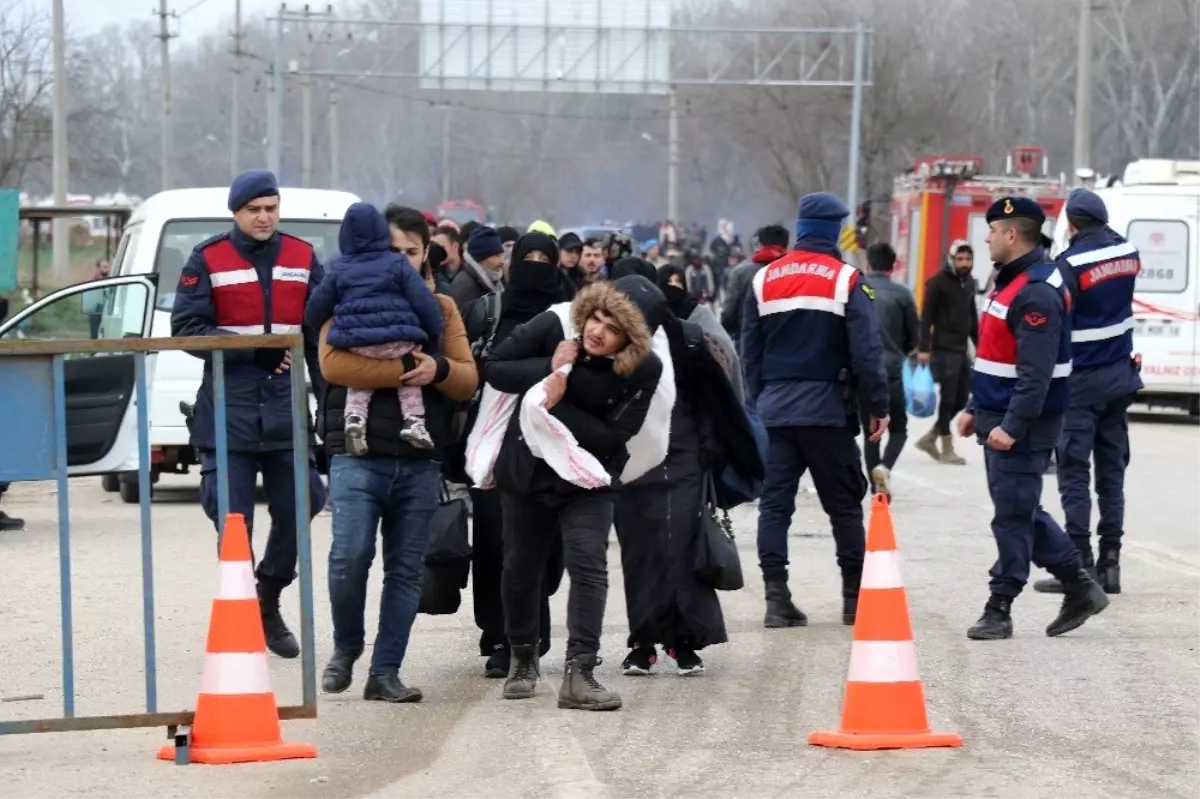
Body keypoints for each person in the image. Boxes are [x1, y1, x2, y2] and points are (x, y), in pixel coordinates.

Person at [316, 208, 478, 702]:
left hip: (418, 455)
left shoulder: (443, 309)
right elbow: (333, 366)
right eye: (391, 252)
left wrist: (442, 368)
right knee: (349, 555)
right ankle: (347, 646)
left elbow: (467, 381)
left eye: (409, 252)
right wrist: (413, 366)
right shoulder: (344, 293)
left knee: (406, 570)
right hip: (356, 452)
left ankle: (385, 672)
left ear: (426, 252)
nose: (400, 262)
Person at [485, 276, 664, 711]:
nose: (597, 331)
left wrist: (555, 402)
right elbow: (493, 367)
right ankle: (522, 658)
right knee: (521, 567)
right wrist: (548, 368)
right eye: (596, 317)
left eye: (613, 327)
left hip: (587, 478)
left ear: (631, 340)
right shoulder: (554, 326)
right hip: (529, 468)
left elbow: (614, 436)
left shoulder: (645, 368)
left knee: (588, 566)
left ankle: (580, 672)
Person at [171, 168, 328, 659]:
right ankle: (240, 618)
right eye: (254, 209)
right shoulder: (208, 257)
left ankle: (268, 597)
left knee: (304, 502)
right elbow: (185, 327)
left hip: (285, 411)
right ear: (236, 213)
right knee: (231, 519)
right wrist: (249, 350)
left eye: (271, 208)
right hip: (227, 413)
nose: (264, 217)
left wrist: (329, 404)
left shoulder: (303, 257)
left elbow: (321, 332)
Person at [958, 196, 1110, 641]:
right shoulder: (1010, 282)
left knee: (1011, 516)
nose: (985, 237)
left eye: (992, 230)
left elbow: (1036, 374)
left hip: (1021, 426)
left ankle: (999, 606)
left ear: (1011, 234)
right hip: (996, 417)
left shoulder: (1037, 291)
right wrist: (974, 409)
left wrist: (1012, 427)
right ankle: (1079, 585)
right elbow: (994, 355)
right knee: (1022, 510)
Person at [742, 192, 890, 629]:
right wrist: (877, 406)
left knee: (774, 508)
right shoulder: (847, 280)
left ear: (801, 228)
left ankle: (776, 599)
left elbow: (749, 353)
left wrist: (758, 404)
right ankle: (852, 600)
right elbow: (867, 353)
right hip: (828, 414)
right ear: (834, 231)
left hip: (775, 413)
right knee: (843, 507)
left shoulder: (764, 279)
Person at [611, 259, 762, 676]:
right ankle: (643, 641)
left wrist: (711, 447)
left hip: (683, 457)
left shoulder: (688, 340)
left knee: (681, 547)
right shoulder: (608, 346)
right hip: (630, 464)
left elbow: (713, 399)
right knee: (639, 553)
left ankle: (684, 640)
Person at [467, 232, 574, 678]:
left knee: (547, 551)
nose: (534, 265)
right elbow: (484, 370)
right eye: (526, 257)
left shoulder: (571, 317)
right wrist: (544, 369)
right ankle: (506, 637)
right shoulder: (491, 314)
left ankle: (527, 627)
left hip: (555, 443)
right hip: (498, 445)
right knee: (499, 544)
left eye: (543, 258)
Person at [1034, 189, 1143, 596]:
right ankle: (1111, 564)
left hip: (1080, 382)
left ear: (1073, 224)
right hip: (1120, 377)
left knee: (1075, 471)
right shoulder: (1129, 254)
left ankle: (1080, 566)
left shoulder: (1068, 265)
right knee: (1112, 474)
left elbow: (1058, 322)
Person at [305, 203, 445, 454]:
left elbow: (315, 307)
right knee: (409, 372)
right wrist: (433, 333)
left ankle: (355, 419)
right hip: (398, 342)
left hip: (356, 343)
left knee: (360, 378)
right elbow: (423, 301)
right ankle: (414, 420)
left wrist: (318, 323)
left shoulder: (339, 268)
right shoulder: (396, 265)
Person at [859, 243, 920, 497]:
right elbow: (913, 338)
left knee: (870, 430)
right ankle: (884, 468)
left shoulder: (857, 290)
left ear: (869, 264)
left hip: (862, 370)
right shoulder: (903, 294)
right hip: (892, 370)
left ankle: (875, 486)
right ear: (892, 266)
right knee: (898, 429)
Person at [917, 241, 980, 466]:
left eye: (968, 259)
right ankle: (946, 447)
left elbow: (972, 317)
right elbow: (926, 317)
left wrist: (980, 345)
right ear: (952, 259)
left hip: (961, 350)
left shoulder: (970, 282)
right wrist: (924, 348)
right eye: (960, 259)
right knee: (948, 399)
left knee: (963, 397)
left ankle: (930, 437)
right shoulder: (937, 282)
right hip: (943, 350)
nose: (964, 264)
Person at [655, 262, 744, 403]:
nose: (674, 286)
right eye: (668, 282)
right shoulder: (654, 316)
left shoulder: (699, 313)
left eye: (678, 281)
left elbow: (726, 350)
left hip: (701, 395)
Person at [721, 225, 790, 346]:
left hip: (747, 344)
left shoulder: (740, 273)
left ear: (760, 244)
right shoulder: (794, 272)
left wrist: (736, 335)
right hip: (785, 347)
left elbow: (728, 314)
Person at [448, 226, 508, 346]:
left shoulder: (496, 280)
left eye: (501, 255)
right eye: (496, 255)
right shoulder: (464, 286)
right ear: (481, 257)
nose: (501, 261)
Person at [83, 259, 112, 339]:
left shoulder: (112, 279)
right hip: (97, 309)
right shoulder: (94, 280)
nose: (107, 269)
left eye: (108, 267)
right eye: (105, 267)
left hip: (108, 309)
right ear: (98, 268)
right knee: (95, 333)